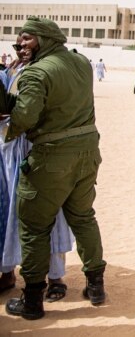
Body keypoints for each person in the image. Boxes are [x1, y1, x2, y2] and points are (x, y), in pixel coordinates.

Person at [0, 17, 107, 319]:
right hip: (86, 153)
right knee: (83, 218)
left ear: (44, 39)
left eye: (27, 39)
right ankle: (96, 285)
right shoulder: (81, 62)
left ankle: (32, 300)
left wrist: (10, 118)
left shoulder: (36, 73)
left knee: (33, 228)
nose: (21, 45)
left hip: (51, 159)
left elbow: (24, 120)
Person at [1, 35, 75, 303]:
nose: (21, 51)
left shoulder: (49, 71)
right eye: (17, 47)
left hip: (40, 149)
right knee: (9, 210)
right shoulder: (12, 71)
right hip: (10, 150)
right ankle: (8, 271)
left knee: (48, 213)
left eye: (27, 46)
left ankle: (55, 278)